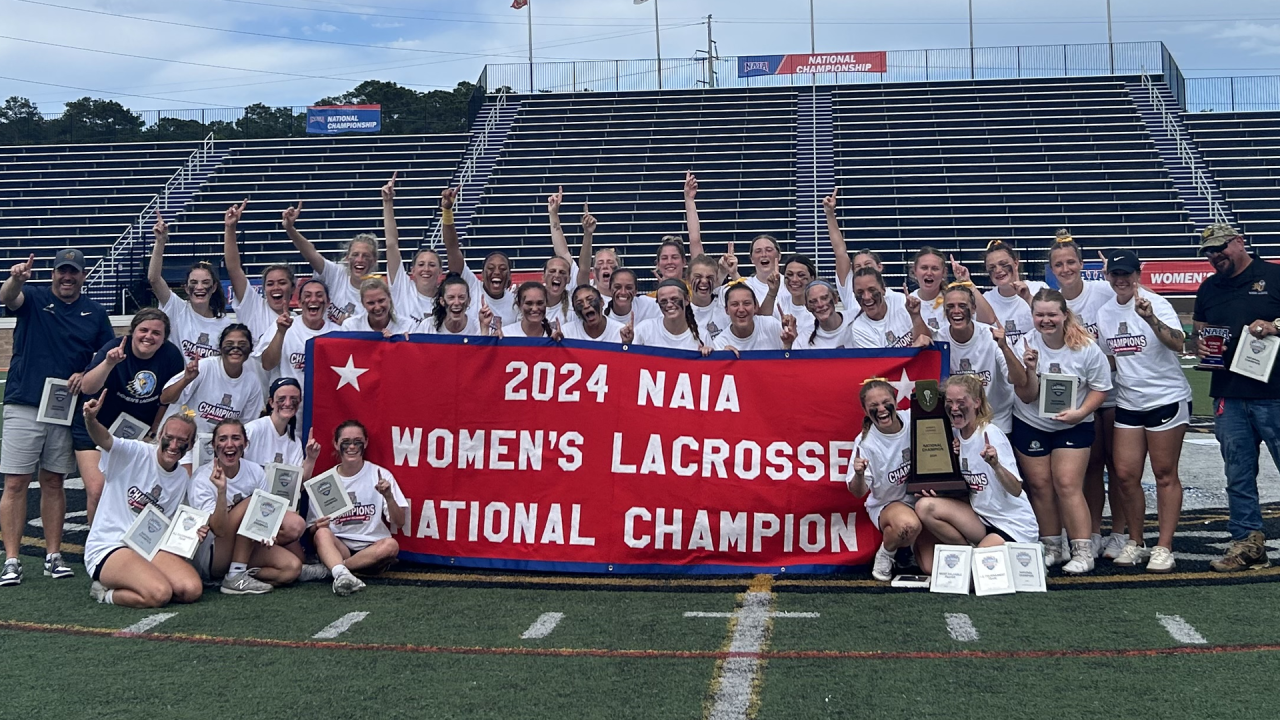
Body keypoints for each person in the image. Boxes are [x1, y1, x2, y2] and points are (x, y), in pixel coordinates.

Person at [0, 249, 113, 586]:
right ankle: (12, 559)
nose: (67, 277)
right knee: (16, 482)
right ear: (53, 274)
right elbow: (8, 297)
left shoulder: (94, 311)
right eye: (62, 271)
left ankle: (53, 554)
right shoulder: (33, 297)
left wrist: (87, 370)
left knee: (53, 481)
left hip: (65, 407)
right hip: (25, 401)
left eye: (74, 272)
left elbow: (108, 353)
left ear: (82, 275)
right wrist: (15, 279)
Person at [1192, 223, 1280, 572]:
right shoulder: (1209, 287)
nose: (1216, 256)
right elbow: (1200, 330)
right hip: (1229, 393)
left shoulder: (1273, 276)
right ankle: (1248, 544)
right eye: (1210, 251)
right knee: (1238, 475)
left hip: (1275, 392)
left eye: (1221, 247)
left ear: (1240, 242)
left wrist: (1276, 326)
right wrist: (1200, 345)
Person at [1097, 249, 1190, 573]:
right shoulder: (1106, 312)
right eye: (1115, 274)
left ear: (1138, 274)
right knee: (1124, 475)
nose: (1121, 280)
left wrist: (1150, 317)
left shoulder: (1156, 303)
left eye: (1127, 274)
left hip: (1165, 397)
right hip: (1129, 400)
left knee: (1164, 475)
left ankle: (1165, 546)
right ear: (1108, 276)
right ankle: (1136, 541)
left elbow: (1180, 343)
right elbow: (1110, 358)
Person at [1012, 288, 1112, 573]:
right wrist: (1030, 370)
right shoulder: (1025, 344)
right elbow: (1027, 396)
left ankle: (1082, 550)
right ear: (1032, 316)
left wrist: (1081, 412)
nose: (1046, 320)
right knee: (1040, 486)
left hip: (1074, 424)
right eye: (1039, 314)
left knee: (1068, 484)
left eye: (1052, 314)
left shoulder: (1086, 346)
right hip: (1032, 423)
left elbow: (1101, 388)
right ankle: (1052, 546)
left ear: (1064, 315)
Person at [82, 392, 204, 608]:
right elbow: (105, 440)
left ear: (192, 445)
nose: (174, 445)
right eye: (169, 438)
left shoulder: (181, 477)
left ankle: (141, 578)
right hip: (110, 545)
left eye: (182, 441)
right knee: (159, 594)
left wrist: (194, 532)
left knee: (191, 589)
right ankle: (104, 593)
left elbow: (173, 524)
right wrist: (91, 420)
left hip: (146, 546)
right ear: (159, 435)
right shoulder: (135, 453)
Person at [76, 308, 185, 524]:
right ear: (132, 331)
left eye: (156, 333)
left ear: (164, 338)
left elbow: (166, 399)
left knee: (133, 492)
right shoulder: (115, 348)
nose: (149, 336)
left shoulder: (171, 355)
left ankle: (124, 541)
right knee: (98, 490)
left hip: (136, 434)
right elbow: (87, 387)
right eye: (143, 330)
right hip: (95, 425)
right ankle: (96, 548)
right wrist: (109, 363)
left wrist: (154, 430)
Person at [1048, 229, 1119, 558]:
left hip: (1115, 391)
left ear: (1081, 263)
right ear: (1052, 268)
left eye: (1071, 262)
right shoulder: (1051, 298)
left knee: (1118, 467)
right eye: (1059, 264)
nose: (1066, 269)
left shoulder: (1103, 290)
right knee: (1089, 467)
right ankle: (1090, 531)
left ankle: (1120, 532)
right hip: (1076, 398)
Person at [915, 375, 1040, 548]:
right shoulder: (954, 436)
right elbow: (968, 488)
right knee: (925, 506)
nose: (954, 407)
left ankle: (1010, 552)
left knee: (979, 569)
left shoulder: (990, 434)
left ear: (976, 402)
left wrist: (996, 465)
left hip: (1013, 524)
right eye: (949, 402)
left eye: (960, 402)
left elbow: (1016, 490)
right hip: (981, 520)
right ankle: (967, 552)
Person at [188, 418, 304, 594]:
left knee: (292, 568)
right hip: (213, 553)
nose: (229, 444)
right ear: (213, 444)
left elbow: (267, 513)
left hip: (243, 544)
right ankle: (235, 575)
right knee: (253, 502)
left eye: (235, 438)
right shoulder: (201, 478)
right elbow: (218, 529)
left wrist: (266, 533)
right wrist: (221, 491)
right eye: (222, 439)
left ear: (245, 443)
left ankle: (238, 573)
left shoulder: (255, 471)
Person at [309, 420, 408, 596]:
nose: (352, 446)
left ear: (366, 443)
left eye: (357, 441)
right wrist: (318, 526)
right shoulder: (325, 481)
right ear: (336, 444)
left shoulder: (380, 475)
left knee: (391, 546)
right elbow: (311, 531)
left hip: (371, 550)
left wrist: (389, 496)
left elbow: (399, 522)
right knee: (321, 534)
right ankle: (341, 571)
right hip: (339, 546)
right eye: (346, 442)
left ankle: (334, 570)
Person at [846, 379, 925, 579]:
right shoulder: (865, 443)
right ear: (865, 410)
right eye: (874, 406)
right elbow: (858, 492)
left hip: (923, 500)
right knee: (908, 525)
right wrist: (859, 473)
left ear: (896, 401)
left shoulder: (915, 419)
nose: (881, 409)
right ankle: (887, 553)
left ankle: (909, 551)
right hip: (888, 504)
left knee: (931, 568)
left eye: (885, 402)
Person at [160, 324, 266, 470]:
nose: (236, 348)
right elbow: (165, 398)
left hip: (220, 449)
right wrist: (187, 379)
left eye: (242, 344)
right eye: (229, 344)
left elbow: (245, 427)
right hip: (184, 442)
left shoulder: (252, 382)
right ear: (221, 348)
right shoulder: (205, 367)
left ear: (250, 349)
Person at [935, 284, 1026, 433]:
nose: (956, 311)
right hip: (957, 422)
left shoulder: (991, 336)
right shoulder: (938, 340)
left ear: (973, 309)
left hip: (995, 420)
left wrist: (1005, 347)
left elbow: (1019, 380)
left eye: (962, 306)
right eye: (950, 306)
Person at [222, 198, 297, 367]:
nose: (276, 288)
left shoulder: (300, 321)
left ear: (293, 287)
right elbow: (234, 268)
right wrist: (230, 228)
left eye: (282, 282)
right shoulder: (253, 307)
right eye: (270, 284)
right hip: (252, 388)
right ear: (263, 289)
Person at [149, 215, 232, 361]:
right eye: (194, 282)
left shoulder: (226, 324)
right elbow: (154, 279)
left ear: (213, 288)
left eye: (205, 282)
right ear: (187, 288)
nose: (199, 287)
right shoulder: (176, 308)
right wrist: (160, 242)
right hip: (178, 382)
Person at [285, 199, 378, 324]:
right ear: (347, 258)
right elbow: (311, 254)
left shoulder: (374, 294)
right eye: (355, 255)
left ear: (374, 261)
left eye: (366, 256)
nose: (360, 260)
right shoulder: (336, 273)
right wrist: (290, 229)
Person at [823, 189, 902, 310]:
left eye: (868, 264)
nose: (863, 268)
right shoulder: (849, 289)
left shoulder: (898, 299)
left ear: (879, 267)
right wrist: (830, 214)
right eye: (858, 266)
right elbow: (840, 251)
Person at [384, 175, 444, 325]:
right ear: (412, 270)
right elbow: (392, 244)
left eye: (432, 265)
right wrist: (387, 202)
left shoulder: (447, 300)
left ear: (440, 271)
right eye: (421, 264)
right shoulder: (402, 289)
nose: (426, 269)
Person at [261, 279, 341, 385]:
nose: (313, 299)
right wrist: (280, 333)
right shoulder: (283, 325)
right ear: (299, 302)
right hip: (291, 399)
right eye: (307, 295)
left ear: (327, 303)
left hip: (324, 399)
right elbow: (267, 365)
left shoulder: (339, 333)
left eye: (319, 295)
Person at [910, 248, 995, 334]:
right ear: (914, 271)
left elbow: (988, 320)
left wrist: (968, 283)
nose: (929, 273)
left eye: (935, 269)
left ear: (944, 272)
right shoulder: (907, 304)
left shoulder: (955, 298)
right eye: (924, 268)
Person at [847, 268, 931, 349]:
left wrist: (915, 316)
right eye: (860, 292)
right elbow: (882, 363)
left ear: (883, 289)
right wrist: (914, 348)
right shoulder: (860, 328)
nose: (866, 297)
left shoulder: (901, 301)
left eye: (872, 290)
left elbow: (927, 342)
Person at [982, 240, 1045, 348]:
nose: (998, 270)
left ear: (1016, 263)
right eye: (992, 268)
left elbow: (1053, 321)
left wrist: (1028, 298)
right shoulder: (985, 300)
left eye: (1003, 264)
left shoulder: (1039, 289)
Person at [712, 283, 796, 352]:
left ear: (755, 307)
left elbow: (788, 364)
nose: (741, 309)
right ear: (726, 310)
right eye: (735, 304)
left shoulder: (771, 325)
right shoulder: (720, 344)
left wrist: (788, 344)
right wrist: (723, 359)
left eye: (746, 303)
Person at [633, 279, 710, 353]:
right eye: (663, 301)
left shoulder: (702, 335)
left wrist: (708, 355)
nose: (669, 304)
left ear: (687, 300)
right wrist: (627, 342)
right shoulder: (644, 330)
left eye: (674, 299)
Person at [544, 187, 585, 325]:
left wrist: (554, 215)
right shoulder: (532, 304)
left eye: (562, 272)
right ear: (543, 277)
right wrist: (552, 213)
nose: (557, 275)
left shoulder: (574, 299)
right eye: (552, 271)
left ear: (569, 279)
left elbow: (563, 253)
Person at [244, 377, 305, 468]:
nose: (288, 403)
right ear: (271, 402)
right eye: (281, 399)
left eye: (293, 398)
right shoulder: (252, 430)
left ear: (299, 402)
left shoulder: (295, 443)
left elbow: (296, 480)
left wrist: (311, 459)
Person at [760, 254, 816, 331]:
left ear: (812, 278)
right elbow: (761, 322)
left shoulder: (819, 307)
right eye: (790, 274)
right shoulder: (780, 303)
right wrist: (772, 292)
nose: (794, 280)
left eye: (801, 275)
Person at [341, 277, 414, 336]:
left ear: (389, 298)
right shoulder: (350, 326)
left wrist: (398, 343)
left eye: (381, 301)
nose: (377, 307)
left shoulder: (408, 326)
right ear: (363, 304)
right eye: (371, 303)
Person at [794, 280, 852, 350]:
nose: (820, 304)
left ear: (835, 299)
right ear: (807, 307)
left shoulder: (855, 318)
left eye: (824, 298)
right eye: (813, 301)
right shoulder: (803, 340)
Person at [562, 286, 632, 343]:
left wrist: (627, 344)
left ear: (602, 302)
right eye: (579, 303)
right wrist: (556, 343)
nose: (586, 306)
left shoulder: (620, 332)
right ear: (576, 311)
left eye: (590, 299)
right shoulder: (566, 332)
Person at [688, 254, 731, 342]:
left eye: (709, 277)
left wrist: (733, 273)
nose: (704, 281)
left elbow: (752, 302)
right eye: (698, 276)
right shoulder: (682, 312)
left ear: (716, 279)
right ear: (688, 279)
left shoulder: (725, 297)